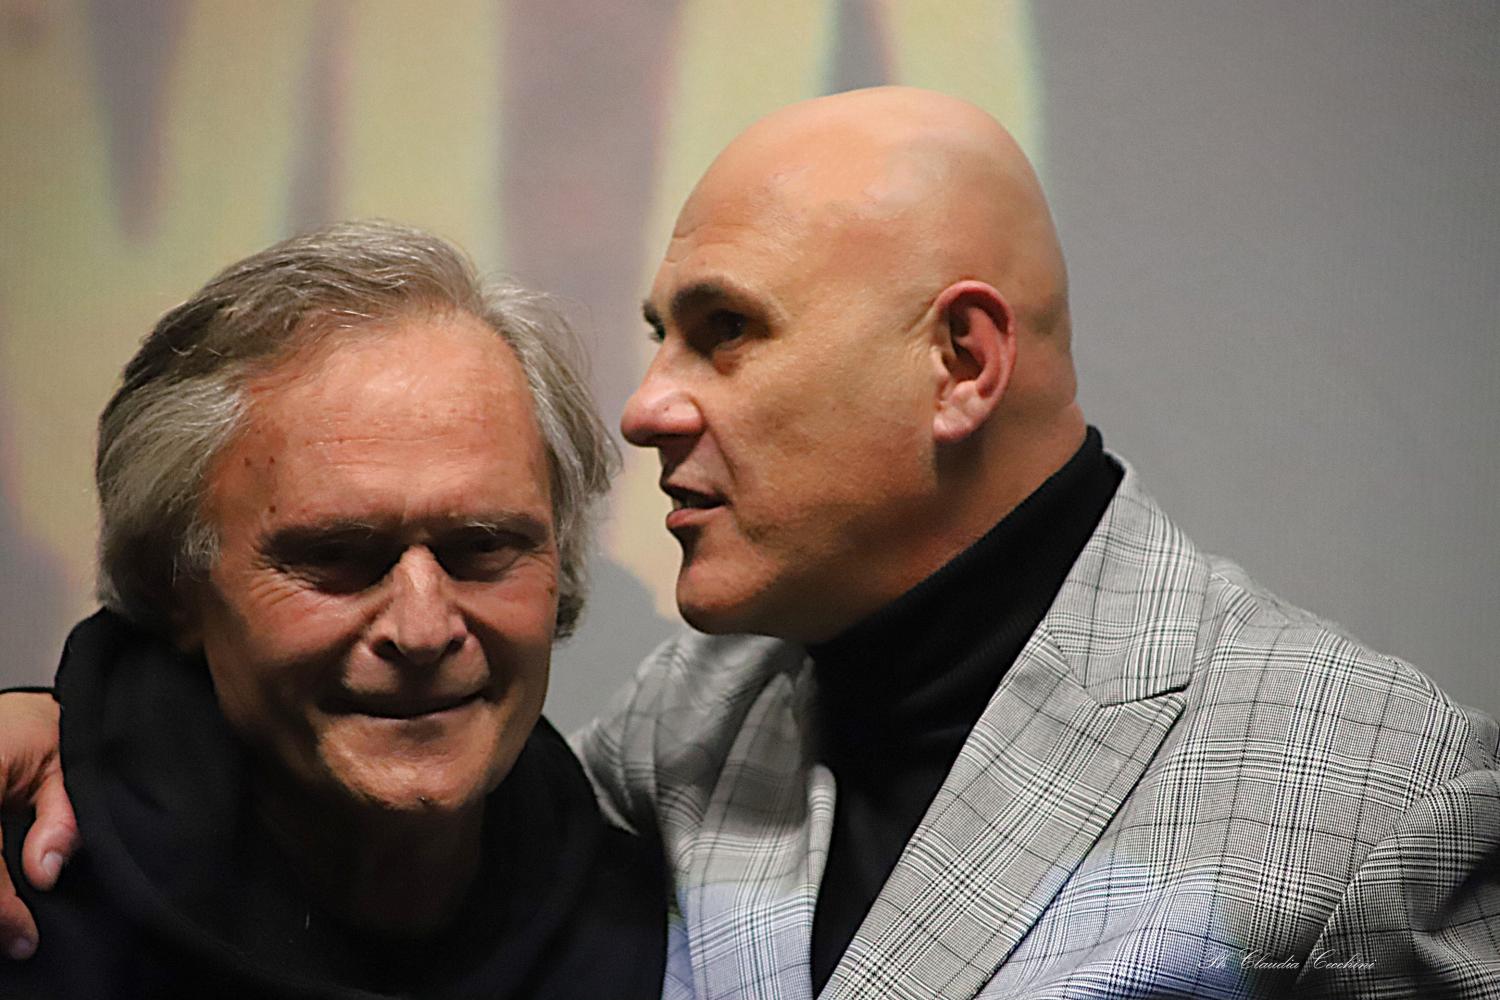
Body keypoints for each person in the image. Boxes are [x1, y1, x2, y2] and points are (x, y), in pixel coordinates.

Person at [4, 87, 1500, 997]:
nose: (647, 405)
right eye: (663, 334)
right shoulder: (692, 721)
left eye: (724, 332)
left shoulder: (1375, 791)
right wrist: (70, 723)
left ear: (962, 362)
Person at [0, 221, 665, 997]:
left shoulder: (658, 934)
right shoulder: (26, 914)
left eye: (482, 546)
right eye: (336, 556)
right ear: (172, 584)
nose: (422, 630)